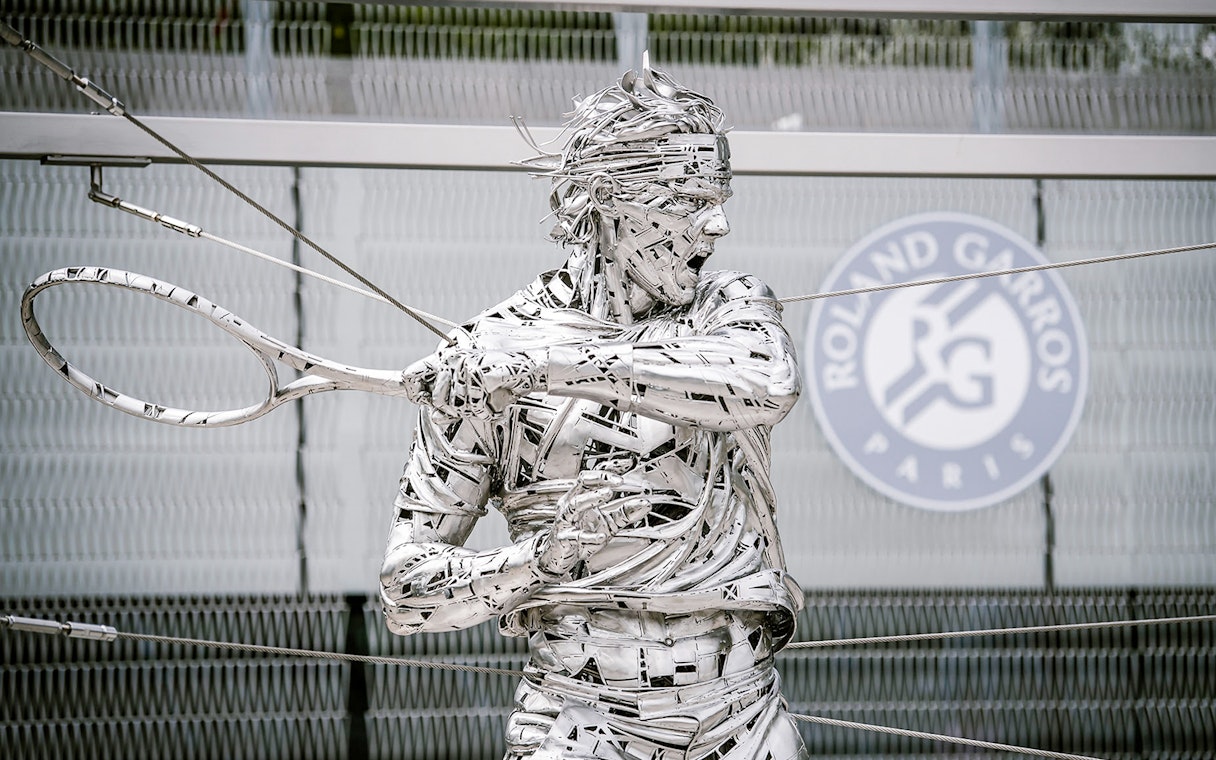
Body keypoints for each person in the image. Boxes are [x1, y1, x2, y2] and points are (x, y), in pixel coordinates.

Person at [380, 62, 807, 760]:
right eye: (689, 198)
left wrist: (546, 364)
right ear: (605, 199)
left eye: (718, 196)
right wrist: (539, 560)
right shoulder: (486, 356)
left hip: (742, 718)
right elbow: (407, 594)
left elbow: (766, 382)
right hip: (577, 724)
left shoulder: (724, 310)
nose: (718, 223)